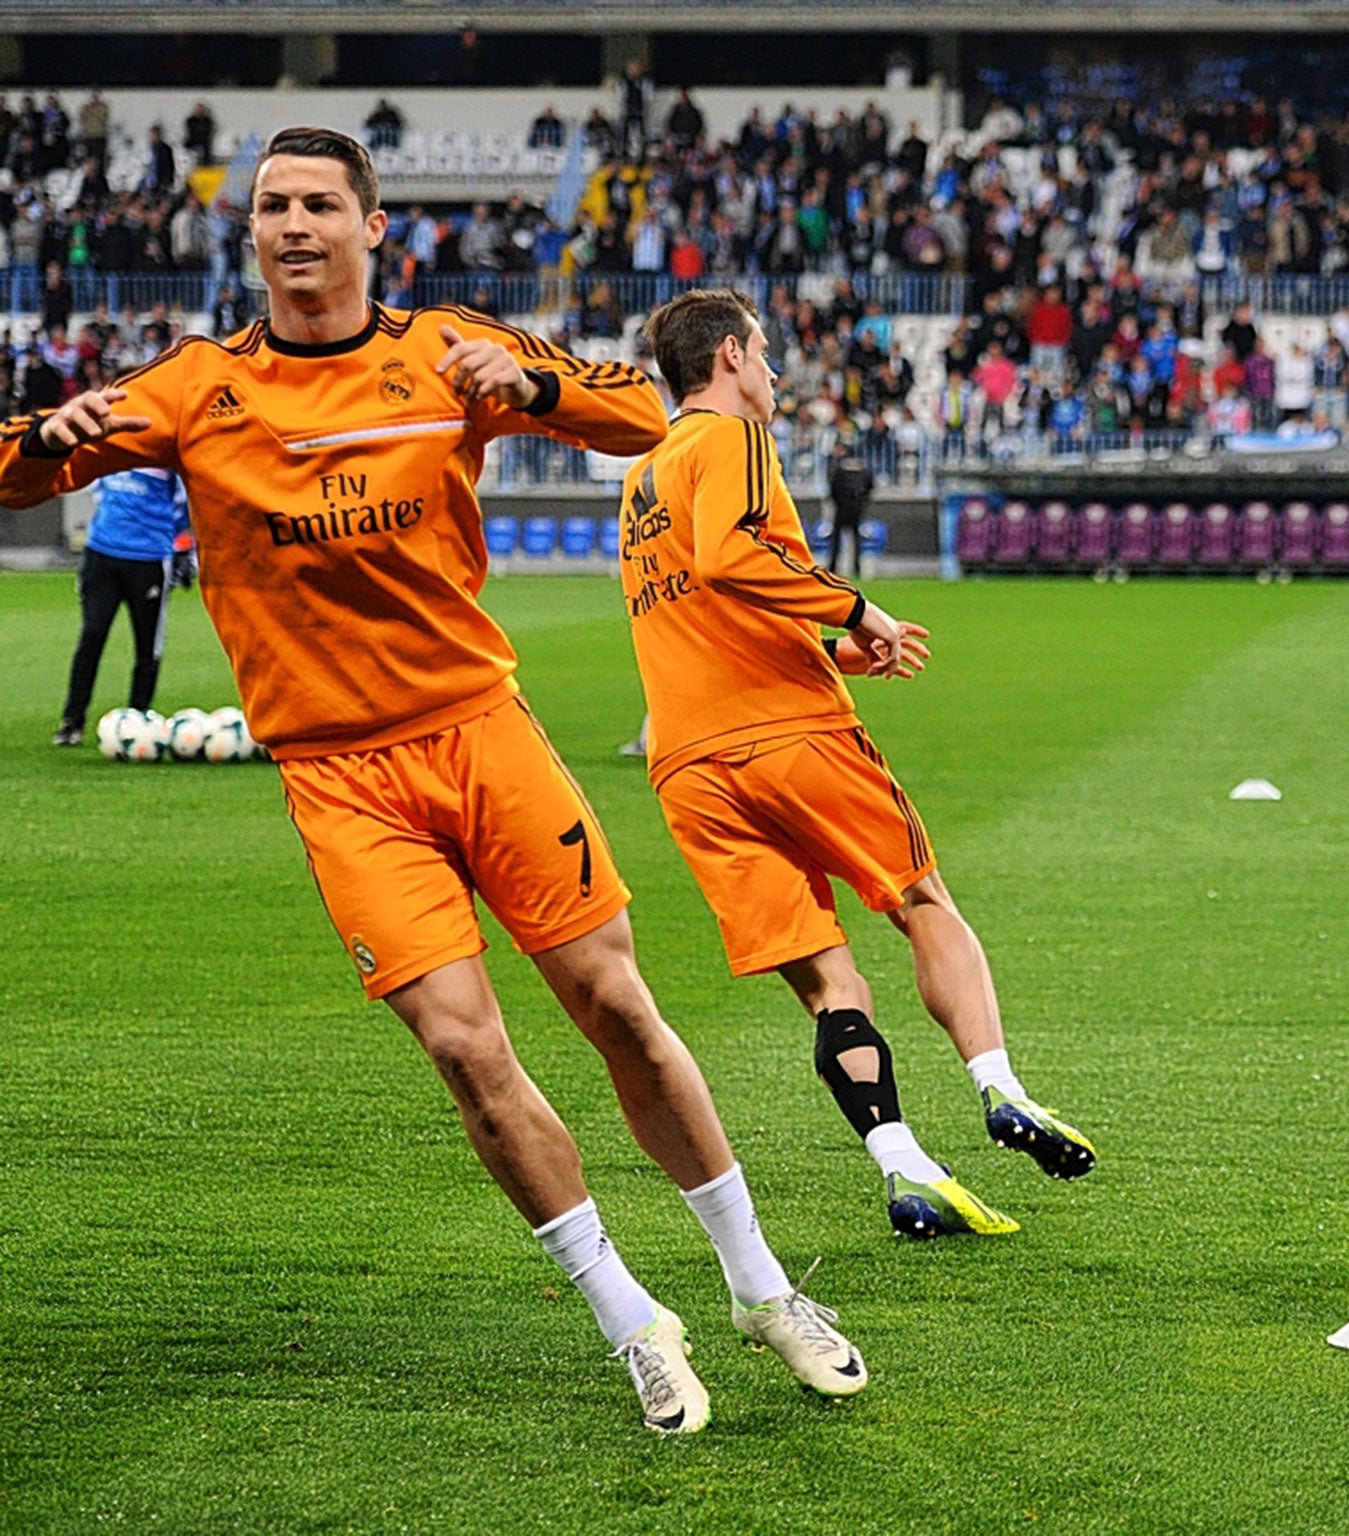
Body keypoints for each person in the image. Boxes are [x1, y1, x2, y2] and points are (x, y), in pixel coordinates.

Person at [0, 127, 865, 1433]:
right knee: (465, 1050)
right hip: (336, 777)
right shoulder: (190, 386)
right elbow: (14, 471)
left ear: (371, 227)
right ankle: (633, 1318)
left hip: (482, 735)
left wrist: (522, 380)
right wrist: (40, 439)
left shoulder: (442, 352)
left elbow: (651, 414)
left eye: (319, 206)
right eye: (271, 208)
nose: (293, 226)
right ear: (253, 237)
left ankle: (758, 1288)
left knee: (616, 1006)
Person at [622, 288, 1097, 1239]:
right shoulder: (735, 440)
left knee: (832, 987)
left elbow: (705, 614)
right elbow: (726, 562)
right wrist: (858, 611)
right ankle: (999, 1086)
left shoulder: (643, 480)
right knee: (923, 902)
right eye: (761, 352)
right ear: (725, 360)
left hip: (690, 766)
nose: (772, 369)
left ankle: (906, 1168)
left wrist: (834, 652)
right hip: (788, 737)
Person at [52, 464, 187, 745]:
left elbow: (184, 506)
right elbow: (97, 491)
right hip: (103, 554)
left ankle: (139, 721)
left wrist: (185, 552)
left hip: (150, 558)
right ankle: (72, 721)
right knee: (92, 634)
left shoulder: (166, 457)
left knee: (148, 644)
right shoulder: (110, 447)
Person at [825, 427, 873, 578]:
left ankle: (833, 566)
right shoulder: (862, 465)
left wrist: (836, 501)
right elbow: (870, 485)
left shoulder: (839, 465)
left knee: (837, 537)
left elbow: (833, 486)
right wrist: (863, 501)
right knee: (856, 537)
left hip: (841, 506)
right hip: (857, 505)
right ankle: (857, 567)